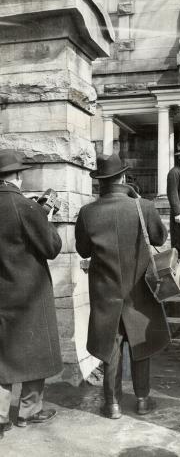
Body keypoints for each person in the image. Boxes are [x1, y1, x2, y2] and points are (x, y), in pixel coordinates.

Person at [75, 154, 170, 419]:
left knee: (110, 346)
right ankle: (141, 400)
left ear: (101, 182)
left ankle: (112, 404)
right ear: (123, 178)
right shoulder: (144, 206)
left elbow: (83, 250)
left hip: (106, 291)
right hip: (139, 288)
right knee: (141, 344)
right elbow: (160, 237)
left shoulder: (87, 212)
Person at [0, 150, 62, 438]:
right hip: (29, 292)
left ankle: (0, 415)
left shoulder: (21, 206)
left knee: (3, 353)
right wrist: (44, 215)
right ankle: (28, 411)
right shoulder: (24, 207)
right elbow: (51, 247)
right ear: (17, 176)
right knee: (34, 350)